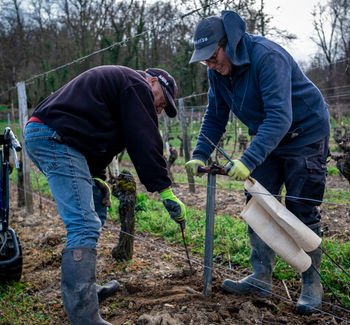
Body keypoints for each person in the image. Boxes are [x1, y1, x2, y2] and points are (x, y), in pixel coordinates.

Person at [185, 11, 330, 315]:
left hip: (304, 133)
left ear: (230, 44)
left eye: (213, 57)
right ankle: (261, 277)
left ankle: (311, 282)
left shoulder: (266, 57)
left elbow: (280, 116)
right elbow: (215, 115)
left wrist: (248, 159)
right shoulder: (217, 71)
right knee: (258, 202)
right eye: (205, 61)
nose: (210, 65)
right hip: (268, 136)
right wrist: (199, 153)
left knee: (301, 206)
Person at [23, 65, 186, 325]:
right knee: (83, 223)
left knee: (95, 211)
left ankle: (86, 292)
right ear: (153, 82)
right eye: (161, 102)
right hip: (55, 138)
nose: (158, 109)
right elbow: (144, 137)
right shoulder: (137, 85)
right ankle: (84, 316)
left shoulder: (122, 86)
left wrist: (96, 175)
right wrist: (164, 189)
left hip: (55, 136)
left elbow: (94, 132)